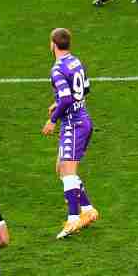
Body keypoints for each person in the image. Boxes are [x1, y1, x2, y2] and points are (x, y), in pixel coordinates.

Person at [41, 28, 98, 238]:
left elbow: (66, 99)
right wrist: (57, 104)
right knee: (61, 168)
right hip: (80, 119)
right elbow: (86, 89)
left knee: (68, 171)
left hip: (74, 124)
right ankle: (88, 210)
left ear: (53, 44)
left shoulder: (57, 69)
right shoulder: (76, 61)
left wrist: (52, 119)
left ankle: (73, 219)